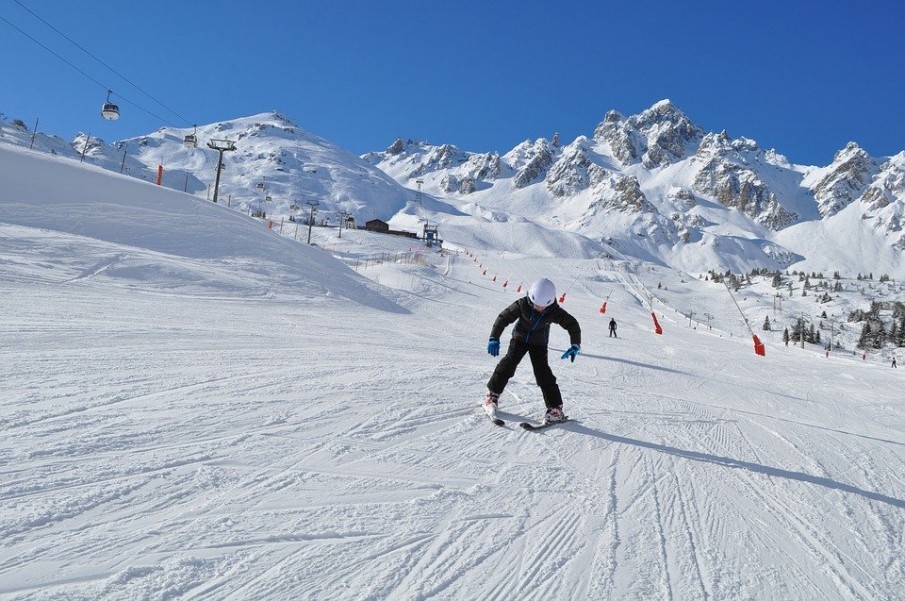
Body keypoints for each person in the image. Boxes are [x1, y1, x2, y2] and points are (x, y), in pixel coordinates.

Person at [483, 277, 581, 424]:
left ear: (549, 303)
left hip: (539, 343)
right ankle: (492, 396)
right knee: (508, 363)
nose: (537, 308)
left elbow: (572, 324)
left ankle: (555, 409)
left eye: (541, 306)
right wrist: (494, 337)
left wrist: (575, 344)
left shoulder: (554, 311)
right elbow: (504, 317)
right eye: (535, 304)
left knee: (543, 372)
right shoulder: (522, 304)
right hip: (519, 339)